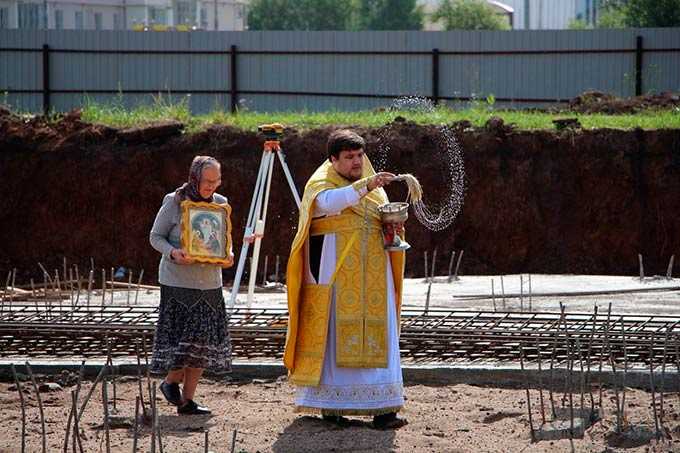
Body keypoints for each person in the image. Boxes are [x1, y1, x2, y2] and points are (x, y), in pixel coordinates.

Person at [284, 129, 407, 429]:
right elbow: (329, 204)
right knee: (335, 335)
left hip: (375, 275)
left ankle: (383, 409)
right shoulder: (320, 184)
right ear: (333, 159)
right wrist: (367, 184)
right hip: (335, 273)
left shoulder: (375, 188)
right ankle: (332, 407)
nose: (356, 162)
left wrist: (394, 229)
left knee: (382, 332)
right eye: (349, 157)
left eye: (359, 156)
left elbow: (382, 219)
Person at [149, 155, 233, 415]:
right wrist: (173, 253)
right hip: (178, 283)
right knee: (184, 341)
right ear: (195, 178)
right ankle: (172, 381)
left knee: (202, 343)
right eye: (207, 181)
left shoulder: (221, 204)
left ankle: (186, 399)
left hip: (209, 284)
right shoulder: (173, 201)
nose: (212, 187)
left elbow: (224, 239)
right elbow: (156, 236)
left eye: (216, 181)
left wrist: (229, 254)